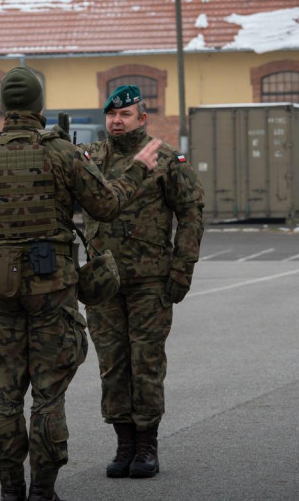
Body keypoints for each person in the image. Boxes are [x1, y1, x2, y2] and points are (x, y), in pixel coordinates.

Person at [0, 67, 162, 501]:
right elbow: (104, 205)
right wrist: (137, 171)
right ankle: (43, 491)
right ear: (39, 106)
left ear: (5, 106)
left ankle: (10, 491)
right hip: (52, 290)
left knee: (5, 396)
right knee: (47, 397)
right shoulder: (62, 154)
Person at [81, 84, 205, 480]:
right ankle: (123, 444)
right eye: (111, 115)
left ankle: (147, 445)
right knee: (112, 365)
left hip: (150, 282)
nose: (117, 122)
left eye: (126, 115)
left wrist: (181, 270)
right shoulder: (90, 159)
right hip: (104, 283)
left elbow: (191, 214)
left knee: (145, 363)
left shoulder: (166, 159)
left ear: (142, 118)